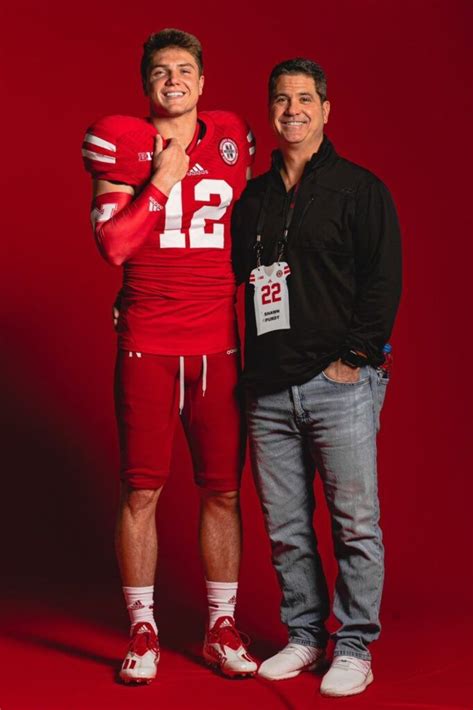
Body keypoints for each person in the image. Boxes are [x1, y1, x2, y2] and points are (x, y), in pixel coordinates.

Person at [82, 28, 257, 684]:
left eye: (185, 69)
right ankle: (144, 630)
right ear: (145, 84)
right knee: (142, 491)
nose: (174, 80)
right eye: (161, 71)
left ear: (203, 81)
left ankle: (220, 625)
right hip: (148, 344)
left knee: (223, 492)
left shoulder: (236, 135)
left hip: (220, 343)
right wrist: (160, 178)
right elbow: (116, 247)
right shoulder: (124, 144)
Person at [232, 57, 402, 697]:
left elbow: (384, 282)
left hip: (341, 388)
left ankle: (354, 646)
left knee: (355, 522)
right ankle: (304, 635)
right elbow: (227, 281)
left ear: (327, 110)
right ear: (271, 111)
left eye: (305, 98)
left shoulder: (360, 189)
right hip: (268, 389)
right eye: (281, 99)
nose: (293, 109)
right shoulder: (253, 198)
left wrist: (352, 361)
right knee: (286, 527)